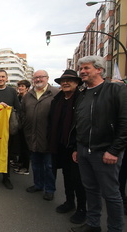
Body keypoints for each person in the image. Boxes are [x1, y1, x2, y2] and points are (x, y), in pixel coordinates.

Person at [70, 56, 127, 232]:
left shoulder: (116, 90)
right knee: (91, 190)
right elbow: (78, 123)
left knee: (111, 194)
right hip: (83, 151)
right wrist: (76, 148)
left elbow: (124, 123)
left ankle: (115, 229)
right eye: (81, 69)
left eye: (86, 68)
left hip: (105, 153)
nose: (82, 72)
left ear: (99, 69)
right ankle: (93, 225)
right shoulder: (82, 94)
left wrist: (114, 150)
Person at [49, 70, 86, 224]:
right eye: (63, 80)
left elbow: (84, 126)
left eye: (70, 80)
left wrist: (78, 147)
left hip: (76, 146)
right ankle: (69, 202)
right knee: (66, 176)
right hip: (60, 145)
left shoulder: (82, 99)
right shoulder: (57, 100)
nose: (65, 83)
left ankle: (82, 209)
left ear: (77, 83)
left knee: (78, 179)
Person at [21, 70, 60, 201]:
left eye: (41, 77)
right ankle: (38, 184)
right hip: (31, 136)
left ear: (47, 78)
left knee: (49, 166)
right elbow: (22, 113)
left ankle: (49, 189)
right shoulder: (28, 95)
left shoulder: (56, 93)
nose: (38, 80)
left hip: (48, 137)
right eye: (35, 77)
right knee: (36, 164)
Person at [13, 79, 31, 175]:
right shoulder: (18, 97)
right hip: (19, 125)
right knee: (20, 145)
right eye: (19, 86)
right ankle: (20, 163)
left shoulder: (29, 98)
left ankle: (25, 167)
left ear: (27, 88)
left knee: (25, 147)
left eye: (22, 86)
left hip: (26, 125)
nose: (20, 88)